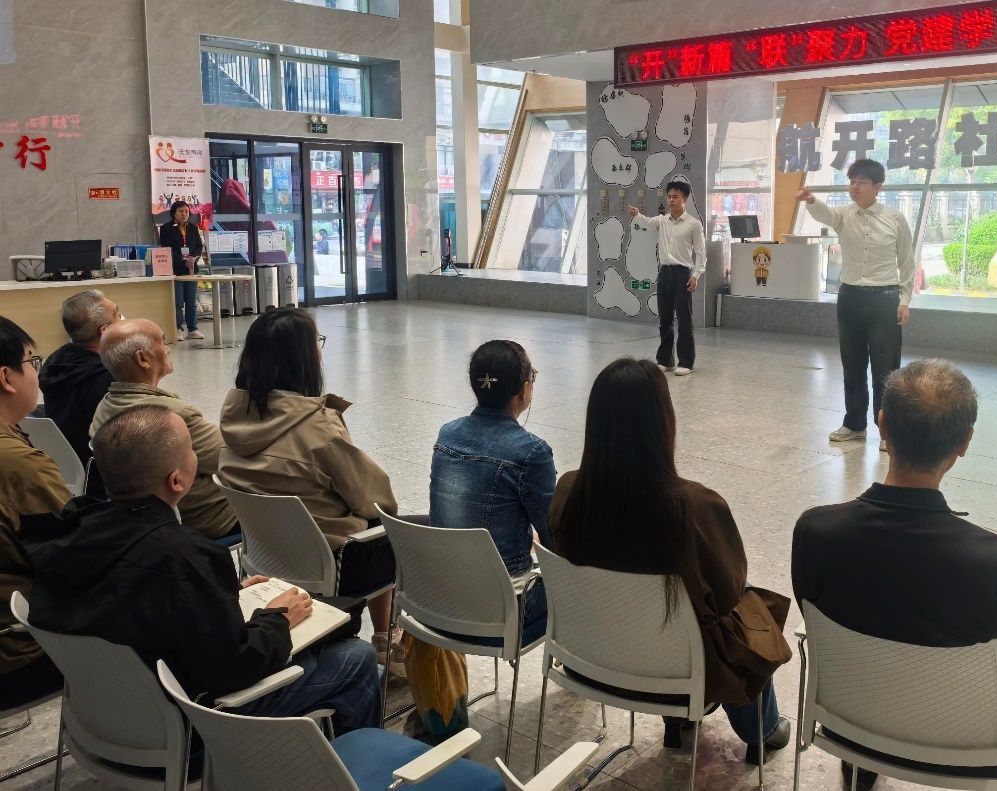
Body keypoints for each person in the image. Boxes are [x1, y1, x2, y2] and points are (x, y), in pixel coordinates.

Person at [792, 359, 997, 791]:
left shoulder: (815, 530)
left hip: (849, 723)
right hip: (969, 747)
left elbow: (814, 612)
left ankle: (859, 770)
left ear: (881, 424)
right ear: (965, 441)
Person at [21, 405, 380, 734]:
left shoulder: (69, 536)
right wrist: (276, 620)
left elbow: (132, 604)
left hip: (104, 725)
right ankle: (350, 765)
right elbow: (234, 668)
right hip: (189, 730)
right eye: (192, 448)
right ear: (176, 481)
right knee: (356, 657)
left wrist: (220, 593)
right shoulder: (184, 557)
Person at [550, 358, 792, 764]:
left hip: (593, 660)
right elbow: (728, 593)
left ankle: (677, 723)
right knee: (745, 606)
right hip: (681, 672)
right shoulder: (696, 507)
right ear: (664, 422)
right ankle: (761, 731)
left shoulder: (569, 490)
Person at [218, 308, 402, 671]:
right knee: (394, 531)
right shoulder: (319, 427)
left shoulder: (234, 415)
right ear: (301, 358)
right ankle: (386, 640)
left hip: (264, 555)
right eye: (316, 342)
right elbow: (377, 499)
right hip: (331, 563)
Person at [430, 340, 555, 636]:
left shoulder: (447, 435)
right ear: (525, 389)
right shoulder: (532, 452)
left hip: (438, 597)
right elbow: (553, 536)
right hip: (503, 607)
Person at [796, 158, 915, 448]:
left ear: (877, 187)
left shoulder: (895, 219)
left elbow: (907, 263)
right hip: (850, 297)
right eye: (852, 182)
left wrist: (904, 300)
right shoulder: (844, 215)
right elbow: (824, 214)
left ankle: (888, 431)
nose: (854, 187)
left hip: (884, 299)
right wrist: (810, 200)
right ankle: (854, 424)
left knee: (886, 369)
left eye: (861, 182)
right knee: (852, 364)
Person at [92, 319, 237, 540]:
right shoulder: (172, 416)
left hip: (141, 518)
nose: (168, 348)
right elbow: (231, 457)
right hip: (206, 517)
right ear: (142, 359)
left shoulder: (104, 406)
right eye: (161, 342)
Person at [0, 317, 70, 712]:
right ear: (6, 377)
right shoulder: (19, 465)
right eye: (32, 361)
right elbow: (74, 559)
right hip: (19, 654)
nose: (36, 373)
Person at [626, 179, 706, 376]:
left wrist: (696, 275)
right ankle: (665, 360)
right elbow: (646, 221)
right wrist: (637, 215)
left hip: (683, 273)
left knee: (684, 320)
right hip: (665, 273)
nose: (671, 200)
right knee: (665, 319)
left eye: (675, 197)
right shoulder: (662, 220)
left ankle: (686, 362)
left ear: (685, 199)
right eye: (669, 197)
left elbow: (701, 252)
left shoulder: (693, 224)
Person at [37, 289, 121, 466]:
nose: (122, 319)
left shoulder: (55, 360)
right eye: (117, 315)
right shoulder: (107, 378)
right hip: (96, 466)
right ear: (105, 330)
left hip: (63, 459)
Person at [157, 199, 205, 341]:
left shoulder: (193, 228)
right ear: (174, 213)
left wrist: (193, 258)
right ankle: (178, 328)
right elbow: (166, 248)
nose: (184, 214)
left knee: (191, 302)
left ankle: (192, 329)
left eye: (187, 211)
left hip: (191, 269)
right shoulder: (166, 228)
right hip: (176, 269)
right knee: (178, 302)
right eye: (181, 211)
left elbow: (199, 246)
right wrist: (182, 261)